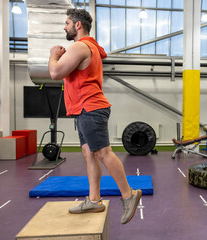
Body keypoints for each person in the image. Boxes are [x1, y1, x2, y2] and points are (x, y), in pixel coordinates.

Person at [48, 8, 142, 224]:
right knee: (89, 153)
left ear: (77, 25)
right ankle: (94, 200)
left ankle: (128, 195)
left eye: (67, 23)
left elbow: (55, 72)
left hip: (90, 107)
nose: (65, 27)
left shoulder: (80, 46)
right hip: (84, 108)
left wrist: (53, 54)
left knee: (103, 152)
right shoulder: (89, 47)